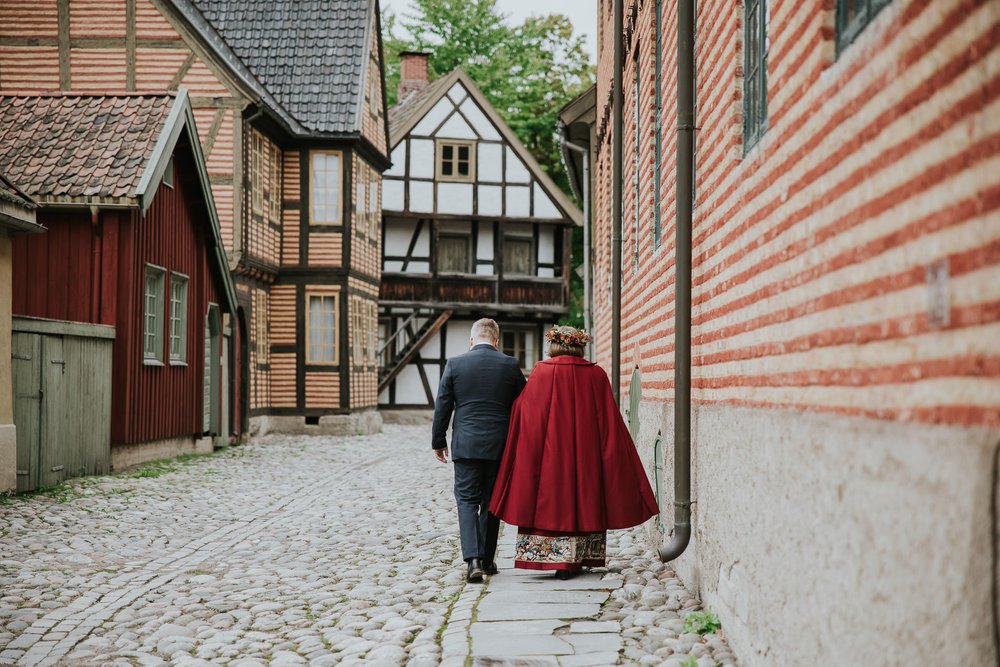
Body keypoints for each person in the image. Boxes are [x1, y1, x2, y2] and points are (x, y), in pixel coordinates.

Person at [490, 326, 658, 578]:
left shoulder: (541, 373)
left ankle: (552, 557)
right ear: (580, 347)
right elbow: (609, 422)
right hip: (585, 457)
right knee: (582, 498)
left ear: (553, 346)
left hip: (548, 459)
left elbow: (526, 414)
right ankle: (578, 557)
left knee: (550, 501)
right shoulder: (596, 375)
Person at [432, 318, 526, 583]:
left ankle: (473, 560)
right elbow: (524, 404)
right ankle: (487, 559)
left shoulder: (455, 364)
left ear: (471, 340)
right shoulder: (510, 366)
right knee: (491, 502)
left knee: (466, 501)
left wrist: (438, 441)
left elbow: (443, 405)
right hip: (500, 445)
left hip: (466, 444)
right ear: (496, 340)